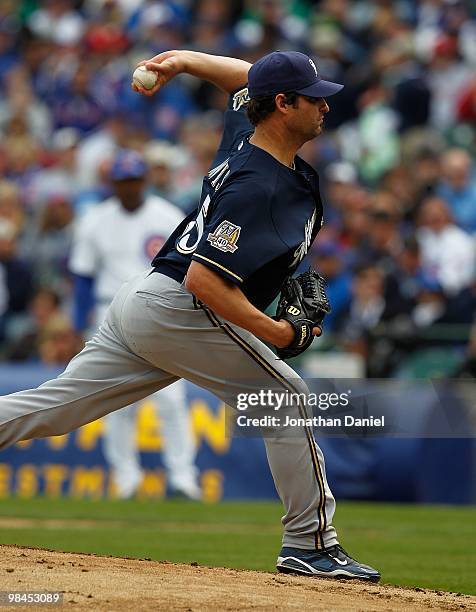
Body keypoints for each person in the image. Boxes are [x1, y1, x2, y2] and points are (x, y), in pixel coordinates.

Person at [0, 49, 380, 582]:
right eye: (313, 98)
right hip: (181, 306)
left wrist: (184, 61)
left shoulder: (249, 135)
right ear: (283, 105)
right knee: (284, 399)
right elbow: (205, 279)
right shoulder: (259, 186)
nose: (324, 107)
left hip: (146, 300)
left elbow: (248, 78)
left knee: (58, 408)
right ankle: (309, 544)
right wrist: (274, 330)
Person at [69, 148, 200, 500]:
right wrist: (78, 324)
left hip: (158, 311)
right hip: (107, 312)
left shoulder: (167, 215)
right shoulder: (95, 219)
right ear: (113, 183)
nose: (128, 187)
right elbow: (82, 277)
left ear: (144, 180)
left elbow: (188, 270)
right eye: (122, 180)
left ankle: (183, 479)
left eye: (133, 179)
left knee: (170, 400)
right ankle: (126, 480)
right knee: (117, 403)